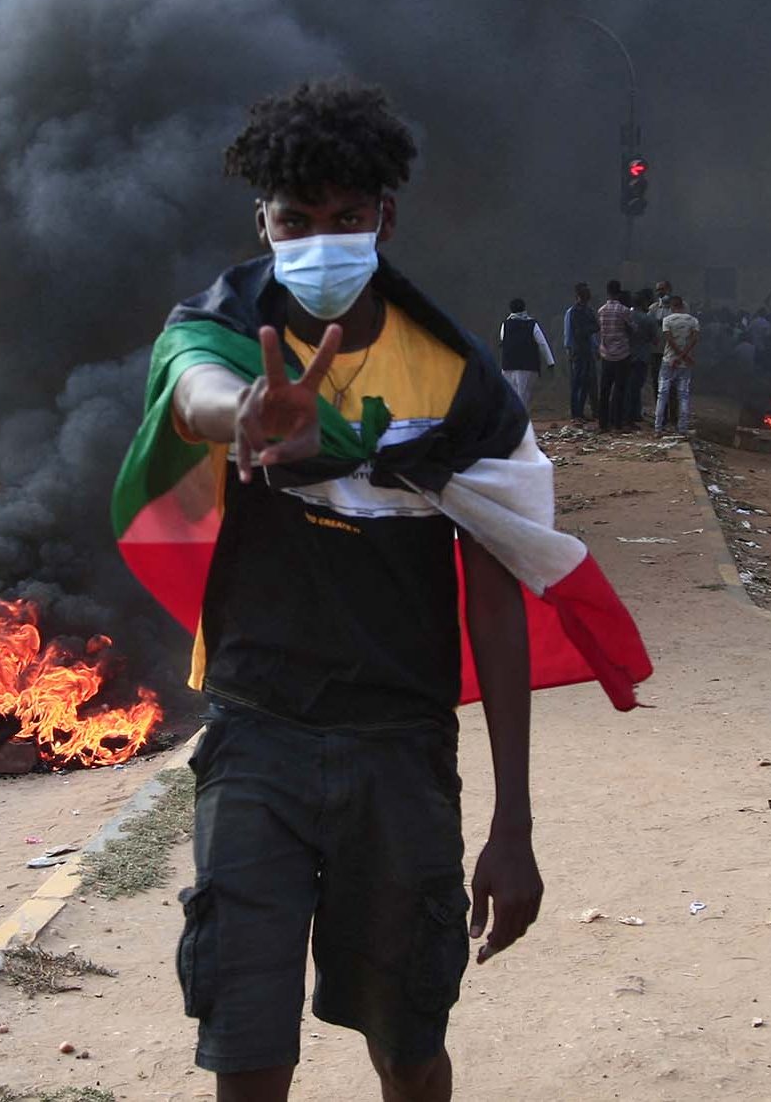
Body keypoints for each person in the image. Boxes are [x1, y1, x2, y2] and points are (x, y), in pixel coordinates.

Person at [130, 81, 546, 1102]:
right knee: (246, 1047)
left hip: (399, 746)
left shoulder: (456, 382)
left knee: (407, 1044)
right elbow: (191, 385)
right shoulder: (223, 330)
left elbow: (496, 598)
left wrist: (513, 821)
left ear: (384, 218)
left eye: (345, 216)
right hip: (255, 734)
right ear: (262, 224)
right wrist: (244, 415)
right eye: (296, 221)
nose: (320, 241)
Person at [499, 298, 555, 413]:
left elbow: (502, 339)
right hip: (528, 365)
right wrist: (550, 362)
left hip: (508, 365)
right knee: (523, 395)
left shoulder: (505, 324)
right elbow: (542, 343)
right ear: (524, 308)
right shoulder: (532, 324)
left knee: (511, 395)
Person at [655, 295, 700, 436]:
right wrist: (684, 356)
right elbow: (694, 340)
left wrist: (677, 356)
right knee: (683, 395)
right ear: (683, 306)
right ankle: (682, 428)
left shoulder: (667, 320)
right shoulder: (693, 321)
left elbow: (669, 340)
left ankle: (658, 428)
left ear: (671, 307)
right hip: (685, 363)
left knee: (662, 395)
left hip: (669, 360)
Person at [596, 280, 632, 431]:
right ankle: (617, 422)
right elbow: (632, 328)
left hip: (606, 353)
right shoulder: (624, 310)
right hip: (622, 353)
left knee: (604, 389)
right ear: (619, 292)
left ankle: (603, 423)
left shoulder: (601, 310)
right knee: (619, 389)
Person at [563, 283, 599, 421]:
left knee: (584, 383)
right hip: (578, 350)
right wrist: (569, 348)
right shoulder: (574, 312)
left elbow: (594, 328)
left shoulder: (586, 311)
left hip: (585, 349)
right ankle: (576, 413)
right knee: (578, 382)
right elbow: (572, 333)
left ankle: (580, 412)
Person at [626, 288, 661, 425]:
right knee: (637, 386)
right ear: (644, 303)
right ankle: (633, 414)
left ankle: (629, 412)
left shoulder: (626, 316)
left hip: (625, 354)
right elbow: (656, 340)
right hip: (642, 356)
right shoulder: (648, 319)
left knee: (627, 385)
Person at [649, 281, 675, 410]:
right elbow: (648, 326)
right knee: (656, 381)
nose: (660, 292)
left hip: (673, 350)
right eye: (658, 290)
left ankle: (673, 413)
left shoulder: (679, 306)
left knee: (673, 383)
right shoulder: (653, 308)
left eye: (662, 289)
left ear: (669, 289)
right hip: (656, 350)